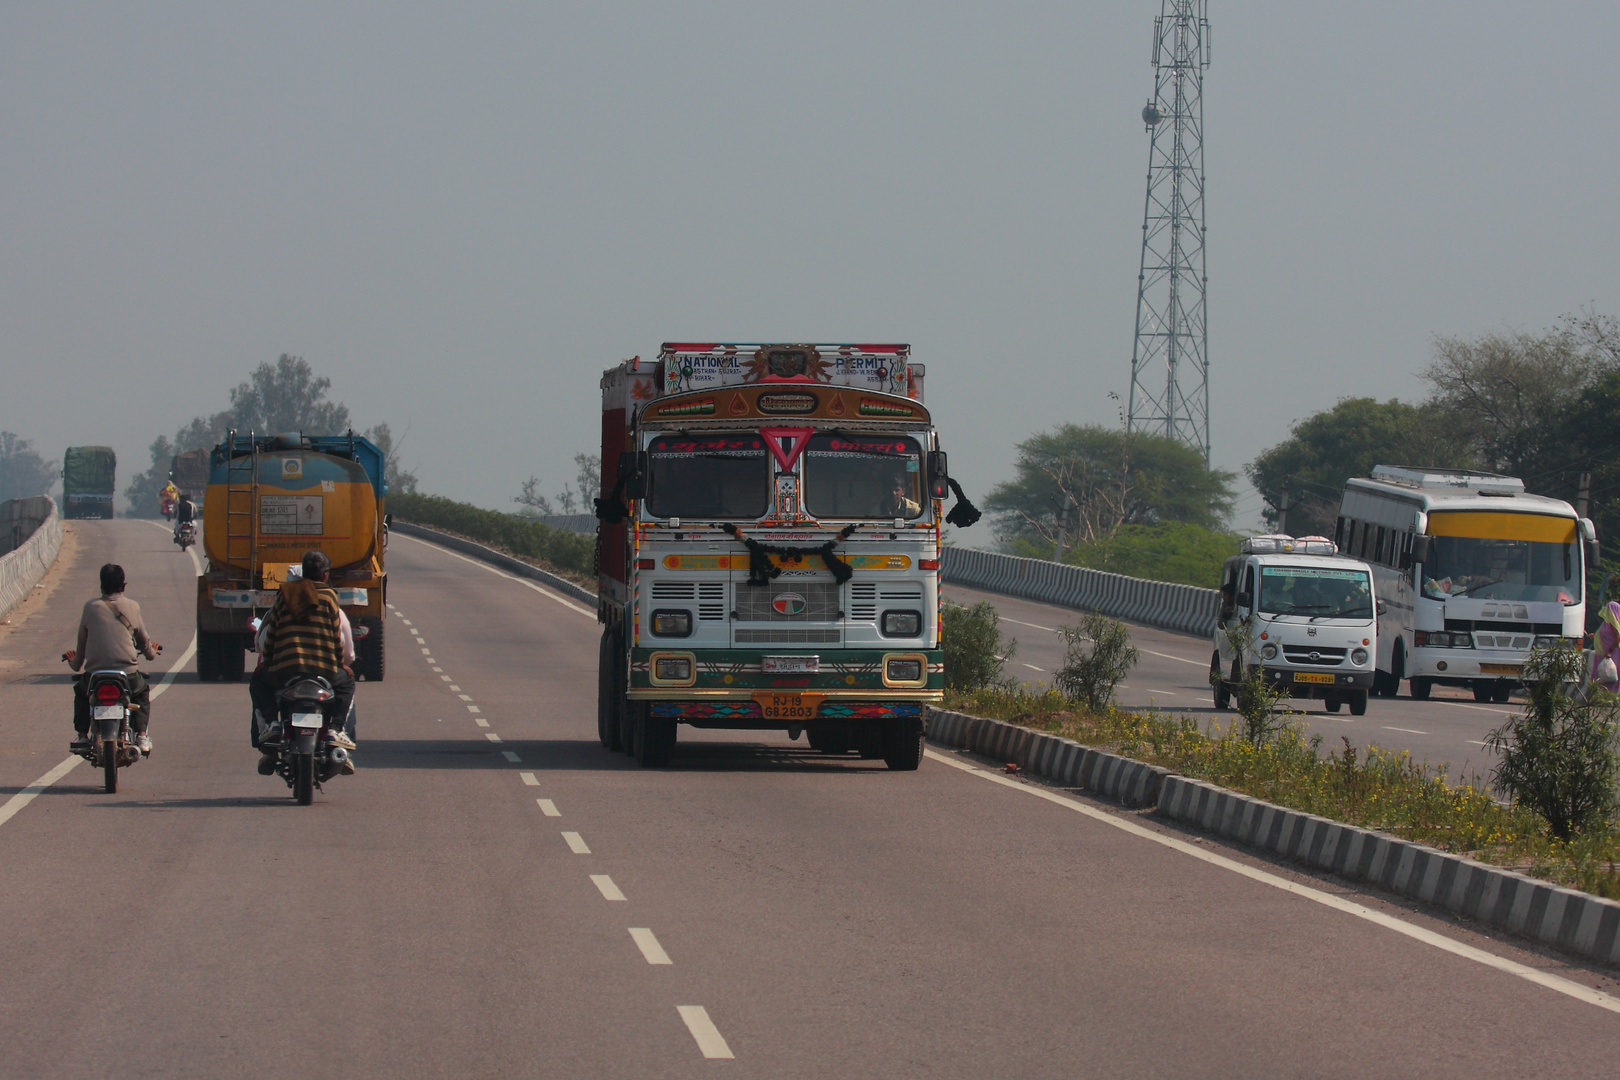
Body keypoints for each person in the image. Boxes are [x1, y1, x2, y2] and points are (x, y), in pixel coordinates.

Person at [249, 550, 357, 773]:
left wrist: (266, 662)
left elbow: (271, 635)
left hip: (285, 671)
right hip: (324, 670)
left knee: (258, 683)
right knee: (347, 683)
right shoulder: (329, 597)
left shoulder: (284, 594)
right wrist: (340, 664)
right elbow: (336, 637)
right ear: (325, 576)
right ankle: (336, 729)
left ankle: (271, 724)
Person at [64, 564, 162, 754]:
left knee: (81, 693)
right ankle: (141, 735)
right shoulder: (133, 607)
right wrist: (152, 650)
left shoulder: (90, 608)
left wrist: (73, 662)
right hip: (128, 675)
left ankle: (82, 736)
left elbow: (81, 651)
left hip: (95, 675)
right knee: (141, 693)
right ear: (123, 586)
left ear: (101, 586)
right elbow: (146, 649)